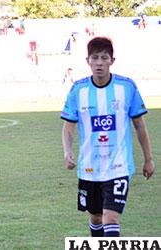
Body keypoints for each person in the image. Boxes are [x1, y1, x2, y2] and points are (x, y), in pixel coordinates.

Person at [61, 37, 155, 237]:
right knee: (95, 217)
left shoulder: (127, 87)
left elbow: (139, 125)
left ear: (112, 60)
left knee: (110, 218)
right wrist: (67, 151)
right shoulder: (78, 90)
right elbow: (68, 126)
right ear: (88, 61)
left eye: (104, 58)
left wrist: (148, 159)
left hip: (118, 165)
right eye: (95, 58)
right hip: (89, 167)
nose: (100, 63)